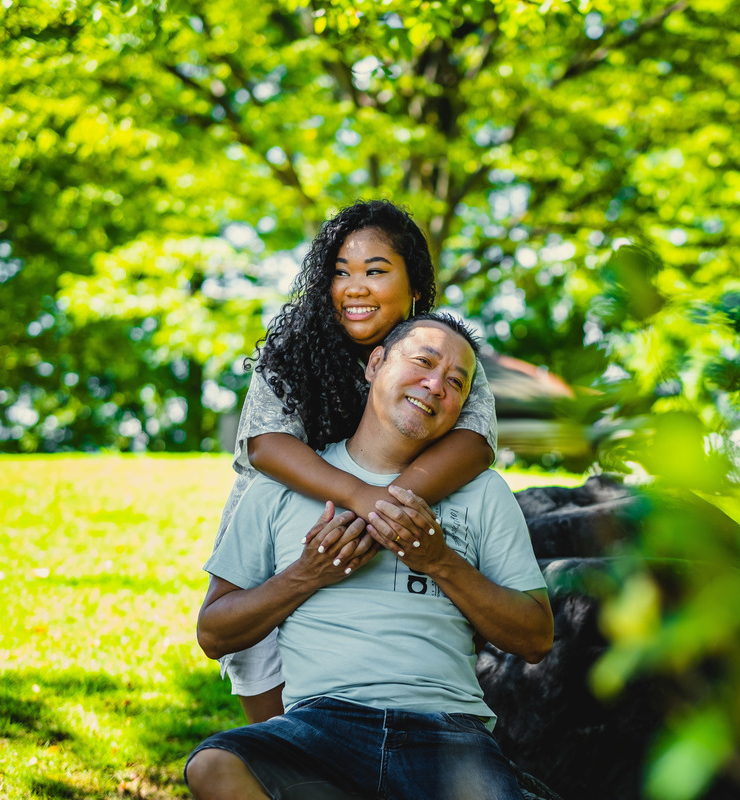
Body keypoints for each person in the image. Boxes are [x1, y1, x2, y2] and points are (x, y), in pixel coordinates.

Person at [187, 314, 553, 800]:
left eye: (455, 382)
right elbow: (214, 633)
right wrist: (306, 575)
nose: (435, 385)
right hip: (320, 727)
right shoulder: (282, 488)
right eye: (423, 362)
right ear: (375, 363)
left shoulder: (483, 492)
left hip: (447, 733)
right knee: (215, 766)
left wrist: (441, 561)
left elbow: (536, 636)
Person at [217, 200, 498, 722]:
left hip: (381, 552)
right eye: (340, 272)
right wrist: (363, 498)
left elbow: (475, 442)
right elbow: (266, 445)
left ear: (416, 286)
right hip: (275, 548)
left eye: (375, 271)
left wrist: (386, 510)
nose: (355, 286)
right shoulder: (292, 350)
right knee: (287, 741)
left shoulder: (443, 356)